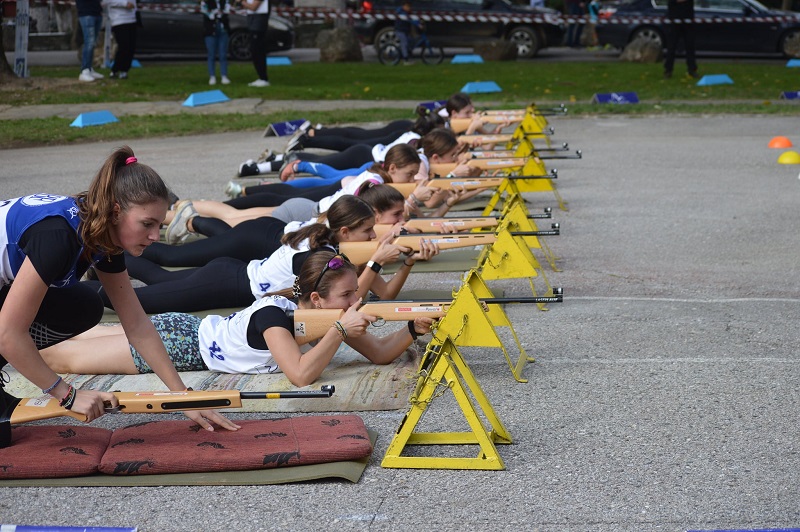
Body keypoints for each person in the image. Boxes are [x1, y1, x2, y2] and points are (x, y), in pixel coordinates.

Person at [0, 146, 238, 434]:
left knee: (84, 306)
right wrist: (67, 395)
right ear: (116, 211)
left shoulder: (103, 236)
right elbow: (9, 334)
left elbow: (137, 325)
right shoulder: (58, 237)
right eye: (147, 224)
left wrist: (183, 396)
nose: (154, 236)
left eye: (158, 225)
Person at [45, 251, 435, 387]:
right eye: (347, 295)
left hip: (188, 333)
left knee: (76, 343)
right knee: (63, 359)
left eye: (355, 293)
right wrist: (337, 330)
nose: (358, 298)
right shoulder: (274, 316)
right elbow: (299, 375)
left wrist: (411, 329)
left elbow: (382, 354)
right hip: (180, 344)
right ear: (317, 300)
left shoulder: (327, 319)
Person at [83, 195, 437, 313]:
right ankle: (84, 285)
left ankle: (102, 260)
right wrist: (376, 261)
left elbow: (385, 292)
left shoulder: (330, 251)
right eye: (367, 233)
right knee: (134, 302)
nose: (373, 237)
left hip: (233, 274)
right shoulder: (322, 257)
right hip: (228, 281)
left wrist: (406, 261)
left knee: (161, 279)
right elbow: (357, 291)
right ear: (345, 233)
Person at [103, 0, 138, 80]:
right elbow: (106, 1)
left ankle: (124, 70)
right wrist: (124, 3)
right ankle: (115, 70)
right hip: (119, 20)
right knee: (123, 46)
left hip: (131, 19)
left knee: (131, 47)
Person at [663, 0, 698, 79]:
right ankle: (668, 70)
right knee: (672, 47)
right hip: (675, 20)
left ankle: (692, 69)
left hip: (688, 19)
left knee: (690, 46)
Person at [240, 0, 270, 87]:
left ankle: (263, 78)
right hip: (253, 21)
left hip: (258, 23)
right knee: (254, 50)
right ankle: (261, 77)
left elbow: (253, 7)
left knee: (257, 50)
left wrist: (242, 2)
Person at [201, 0, 231, 86]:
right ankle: (212, 76)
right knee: (211, 54)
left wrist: (219, 14)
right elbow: (206, 13)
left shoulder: (225, 1)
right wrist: (215, 14)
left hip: (223, 31)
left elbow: (226, 11)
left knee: (223, 54)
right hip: (210, 31)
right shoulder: (206, 2)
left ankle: (224, 75)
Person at [76, 0, 105, 82]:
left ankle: (89, 68)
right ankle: (84, 70)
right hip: (86, 13)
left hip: (96, 12)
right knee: (89, 42)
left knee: (92, 43)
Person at [394, 1, 419, 66]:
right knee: (404, 43)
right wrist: (417, 24)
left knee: (411, 41)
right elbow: (409, 20)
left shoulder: (407, 12)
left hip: (405, 31)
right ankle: (406, 60)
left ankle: (408, 55)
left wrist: (418, 22)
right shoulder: (401, 12)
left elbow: (412, 18)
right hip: (400, 30)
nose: (409, 8)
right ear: (404, 6)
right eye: (408, 7)